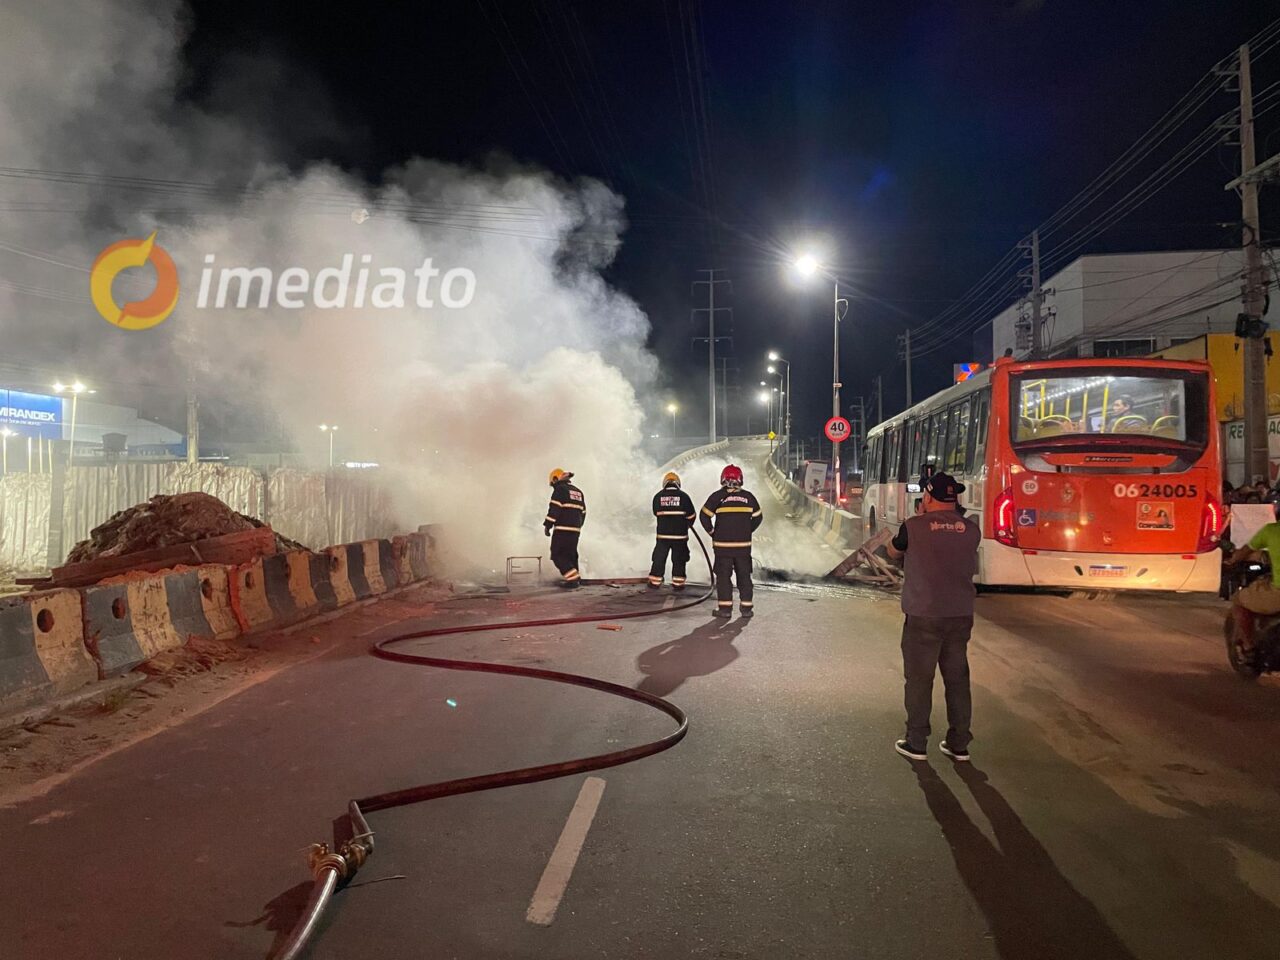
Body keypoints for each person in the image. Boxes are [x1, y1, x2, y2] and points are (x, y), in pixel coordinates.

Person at [885, 471, 981, 762]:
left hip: (924, 614)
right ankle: (959, 744)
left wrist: (919, 521)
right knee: (957, 679)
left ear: (927, 496)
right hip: (960, 613)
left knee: (919, 679)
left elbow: (893, 552)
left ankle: (916, 743)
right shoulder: (971, 529)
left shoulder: (913, 526)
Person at [700, 464, 763, 618]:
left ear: (723, 479)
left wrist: (713, 533)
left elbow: (704, 516)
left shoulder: (717, 497)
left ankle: (725, 610)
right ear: (740, 479)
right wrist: (747, 531)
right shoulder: (749, 497)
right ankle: (746, 608)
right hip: (743, 548)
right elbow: (758, 517)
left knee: (723, 578)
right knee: (744, 576)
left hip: (723, 547)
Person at [649, 471, 697, 589]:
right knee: (679, 559)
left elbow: (656, 513)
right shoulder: (684, 497)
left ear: (664, 483)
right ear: (678, 483)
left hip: (663, 536)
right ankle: (678, 583)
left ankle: (655, 582)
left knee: (659, 558)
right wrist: (685, 526)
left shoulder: (658, 497)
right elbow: (691, 516)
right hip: (680, 536)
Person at [544, 467, 586, 588]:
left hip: (562, 529)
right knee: (570, 554)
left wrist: (547, 525)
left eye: (553, 484)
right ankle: (576, 577)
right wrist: (577, 526)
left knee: (557, 554)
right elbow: (583, 512)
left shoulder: (560, 490)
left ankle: (573, 579)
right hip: (575, 530)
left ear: (555, 479)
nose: (553, 486)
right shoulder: (578, 492)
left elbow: (554, 508)